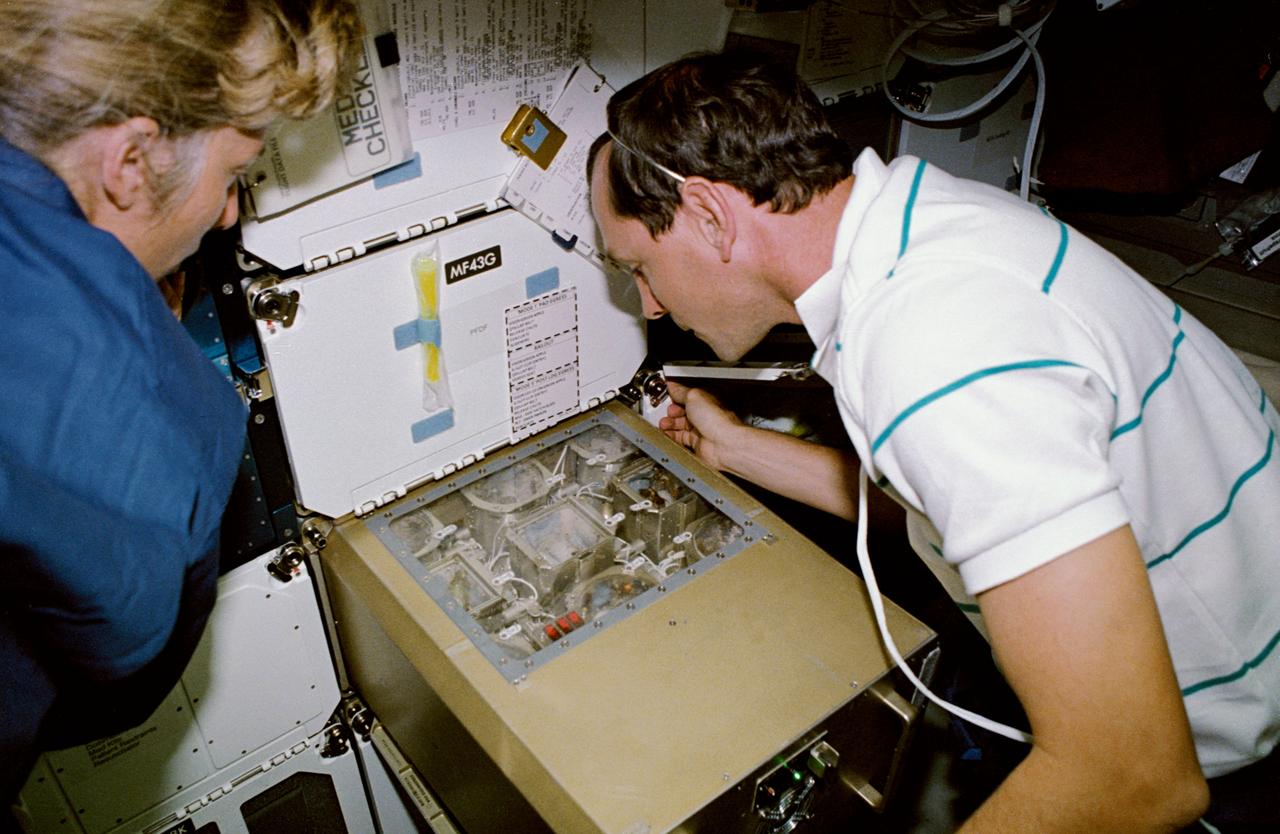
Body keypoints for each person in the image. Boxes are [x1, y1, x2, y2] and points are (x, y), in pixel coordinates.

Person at [588, 51, 1280, 832]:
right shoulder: (924, 231)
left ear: (711, 217)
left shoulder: (934, 346)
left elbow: (1132, 777)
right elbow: (949, 508)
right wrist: (735, 448)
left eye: (639, 266)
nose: (648, 305)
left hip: (1238, 768)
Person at [0, 0, 362, 805]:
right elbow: (120, 659)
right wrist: (132, 330)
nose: (229, 213)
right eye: (233, 176)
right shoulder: (124, 400)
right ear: (130, 161)